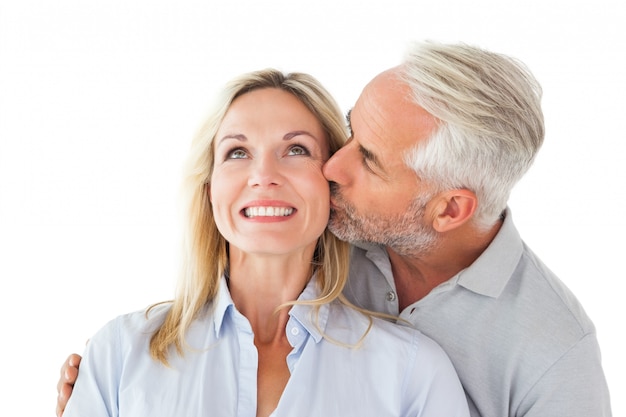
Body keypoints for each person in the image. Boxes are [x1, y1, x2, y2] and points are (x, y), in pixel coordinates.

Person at [57, 41, 613, 417]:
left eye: (367, 159)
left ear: (448, 210)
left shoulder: (551, 354)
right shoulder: (122, 353)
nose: (332, 168)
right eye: (346, 133)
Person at [58, 69, 469, 417]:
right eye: (237, 152)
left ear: (331, 184)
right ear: (209, 189)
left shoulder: (413, 371)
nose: (263, 175)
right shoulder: (120, 355)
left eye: (296, 149)